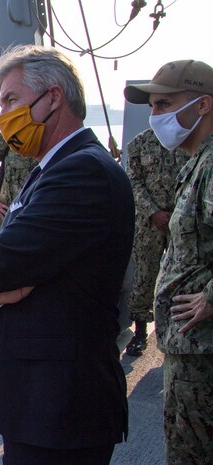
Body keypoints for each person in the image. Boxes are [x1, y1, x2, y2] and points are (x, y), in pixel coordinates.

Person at [0, 45, 134, 465]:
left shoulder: (81, 171)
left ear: (52, 98)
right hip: (43, 404)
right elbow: (7, 262)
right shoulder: (51, 169)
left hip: (61, 407)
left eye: (11, 100)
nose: (4, 115)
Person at [124, 59, 213, 465]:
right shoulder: (197, 159)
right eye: (153, 106)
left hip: (202, 349)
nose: (156, 114)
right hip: (187, 345)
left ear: (202, 105)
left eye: (164, 104)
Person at [124, 129, 188, 356]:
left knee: (182, 276)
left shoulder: (188, 140)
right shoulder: (139, 143)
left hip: (182, 222)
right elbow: (132, 181)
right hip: (148, 224)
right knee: (144, 277)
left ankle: (178, 330)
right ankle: (140, 333)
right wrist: (153, 212)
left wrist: (178, 213)